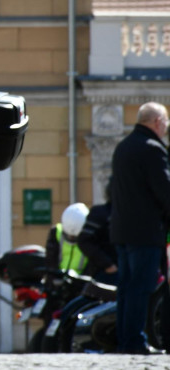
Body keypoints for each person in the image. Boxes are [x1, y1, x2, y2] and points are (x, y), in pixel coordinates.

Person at [110, 102, 170, 354]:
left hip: (122, 231)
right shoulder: (152, 149)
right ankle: (135, 340)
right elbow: (165, 191)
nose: (167, 127)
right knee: (140, 288)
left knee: (125, 288)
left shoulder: (123, 147)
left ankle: (124, 339)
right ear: (157, 122)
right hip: (145, 232)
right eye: (166, 121)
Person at [77, 181, 118, 286]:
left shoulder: (131, 215)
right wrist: (107, 264)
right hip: (106, 274)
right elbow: (84, 240)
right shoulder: (101, 213)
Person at [45, 203, 90, 277]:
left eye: (75, 237)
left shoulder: (90, 237)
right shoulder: (56, 232)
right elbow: (50, 260)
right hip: (58, 278)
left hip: (81, 282)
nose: (71, 238)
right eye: (68, 235)